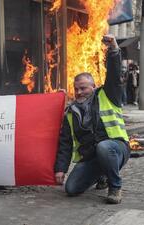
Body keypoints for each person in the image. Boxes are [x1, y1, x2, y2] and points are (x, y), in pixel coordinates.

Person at [54, 34, 130, 204]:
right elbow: (65, 144)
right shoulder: (70, 113)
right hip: (92, 157)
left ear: (94, 87)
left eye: (83, 88)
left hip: (117, 148)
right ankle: (101, 173)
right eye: (76, 89)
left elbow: (114, 74)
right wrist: (60, 169)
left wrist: (114, 49)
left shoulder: (108, 95)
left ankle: (115, 186)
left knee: (104, 147)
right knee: (71, 188)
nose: (79, 92)